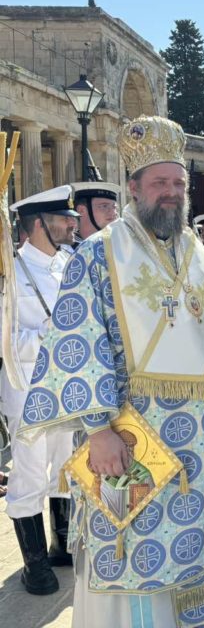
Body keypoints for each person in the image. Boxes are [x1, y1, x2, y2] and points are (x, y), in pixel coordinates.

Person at [17, 115, 204, 625]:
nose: (171, 193)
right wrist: (97, 432)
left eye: (178, 184)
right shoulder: (98, 255)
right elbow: (75, 343)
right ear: (134, 188)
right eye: (160, 183)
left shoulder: (202, 257)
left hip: (197, 449)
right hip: (129, 441)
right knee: (131, 561)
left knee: (194, 563)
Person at [1, 186, 78, 594]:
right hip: (28, 390)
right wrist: (51, 336)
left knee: (63, 466)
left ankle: (60, 543)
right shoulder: (10, 272)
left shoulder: (68, 264)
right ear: (37, 225)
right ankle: (34, 564)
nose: (72, 223)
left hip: (65, 388)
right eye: (62, 219)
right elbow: (6, 341)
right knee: (29, 473)